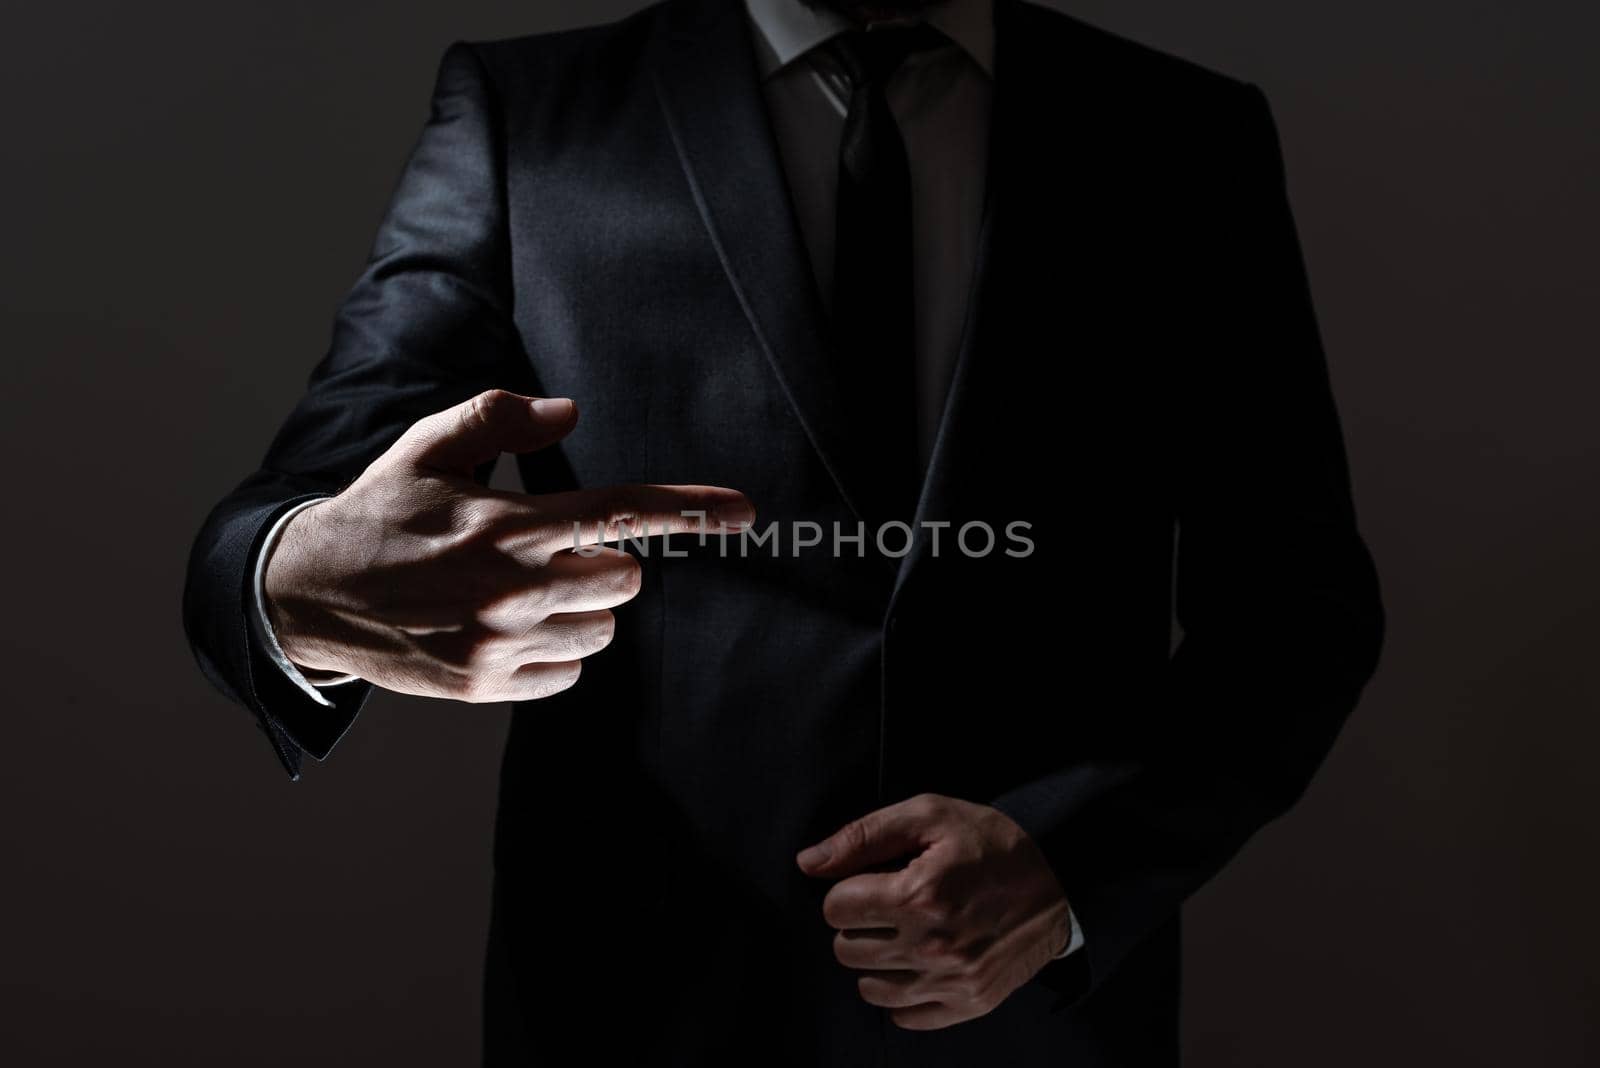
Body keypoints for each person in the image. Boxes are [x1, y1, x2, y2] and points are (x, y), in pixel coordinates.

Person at [181, 0, 1386, 1062]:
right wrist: (290, 585)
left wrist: (1078, 863)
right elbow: (313, 498)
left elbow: (1298, 612)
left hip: (1033, 1019)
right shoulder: (526, 111)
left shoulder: (1184, 132)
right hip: (635, 1007)